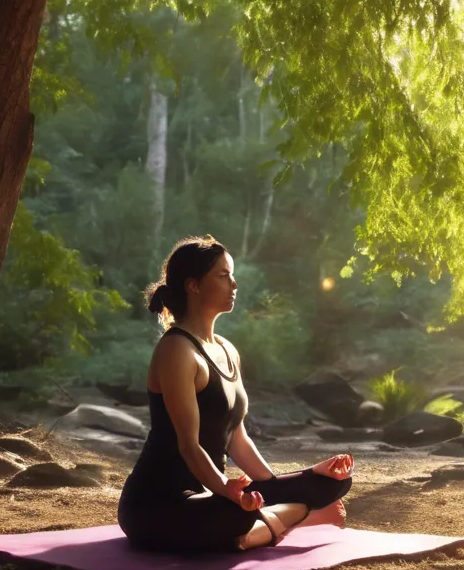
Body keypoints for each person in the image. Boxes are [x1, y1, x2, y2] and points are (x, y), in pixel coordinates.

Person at [118, 235, 353, 553]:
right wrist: (228, 490)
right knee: (234, 515)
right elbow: (188, 447)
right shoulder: (177, 350)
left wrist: (301, 478)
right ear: (194, 285)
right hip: (159, 503)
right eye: (223, 275)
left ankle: (279, 515)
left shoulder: (227, 350)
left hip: (213, 491)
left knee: (335, 483)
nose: (234, 283)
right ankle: (293, 517)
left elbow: (236, 440)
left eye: (232, 274)